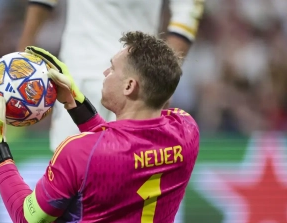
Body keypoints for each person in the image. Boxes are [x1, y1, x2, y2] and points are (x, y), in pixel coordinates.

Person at [0, 31, 199, 223]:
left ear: (129, 86)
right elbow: (121, 147)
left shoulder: (79, 152)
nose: (104, 73)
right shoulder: (186, 131)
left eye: (112, 68)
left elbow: (28, 219)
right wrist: (74, 102)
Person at [18, 0, 205, 152]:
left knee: (71, 174)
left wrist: (23, 52)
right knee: (133, 174)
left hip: (80, 72)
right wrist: (162, 82)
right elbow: (185, 19)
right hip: (138, 82)